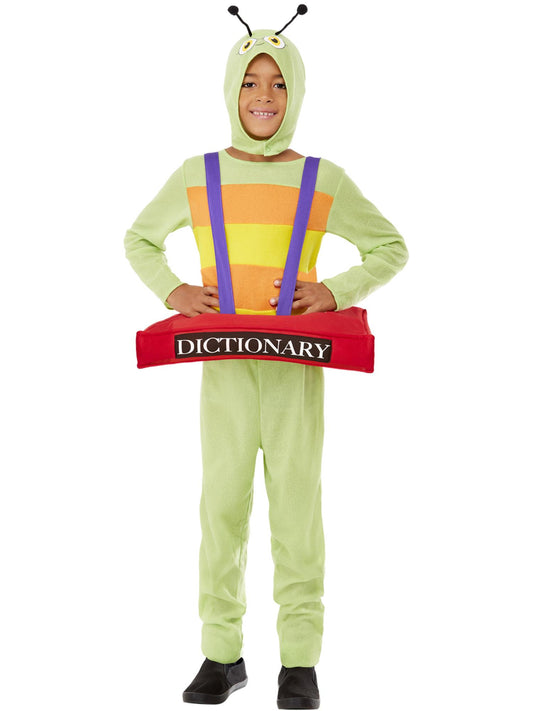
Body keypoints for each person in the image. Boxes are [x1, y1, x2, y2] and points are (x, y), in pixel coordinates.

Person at [124, 12, 408, 709]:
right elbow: (139, 238)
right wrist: (173, 290)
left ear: (297, 92)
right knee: (220, 508)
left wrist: (334, 290)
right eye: (250, 81)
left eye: (279, 83)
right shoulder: (197, 174)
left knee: (296, 511)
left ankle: (299, 662)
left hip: (294, 371)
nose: (263, 95)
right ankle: (221, 654)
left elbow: (390, 247)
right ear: (230, 89)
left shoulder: (322, 178)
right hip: (223, 369)